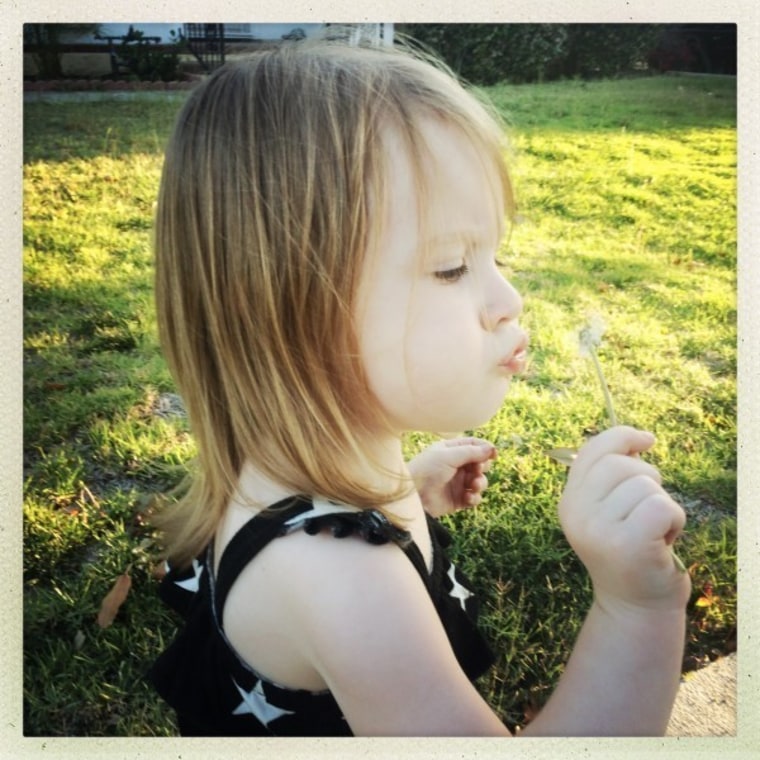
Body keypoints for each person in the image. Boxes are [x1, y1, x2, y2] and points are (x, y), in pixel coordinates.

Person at [148, 39, 690, 737]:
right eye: (449, 268)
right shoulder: (343, 580)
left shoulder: (300, 483)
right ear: (290, 309)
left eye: (497, 255)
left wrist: (402, 491)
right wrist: (635, 610)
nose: (509, 299)